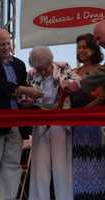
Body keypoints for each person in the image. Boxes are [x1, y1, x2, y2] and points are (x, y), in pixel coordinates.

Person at [0, 28, 41, 200]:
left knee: (12, 165)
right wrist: (21, 89)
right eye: (1, 44)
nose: (5, 47)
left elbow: (23, 88)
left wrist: (25, 99)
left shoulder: (19, 64)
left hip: (16, 122)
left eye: (7, 43)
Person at [27, 46, 73, 200]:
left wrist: (64, 83)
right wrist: (28, 99)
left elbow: (74, 86)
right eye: (38, 69)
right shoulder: (31, 74)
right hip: (39, 122)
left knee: (61, 167)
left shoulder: (63, 67)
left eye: (45, 68)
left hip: (59, 122)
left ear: (51, 61)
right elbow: (23, 99)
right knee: (39, 168)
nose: (42, 72)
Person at [68, 33, 105, 200]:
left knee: (97, 164)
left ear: (94, 49)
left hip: (97, 127)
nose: (81, 50)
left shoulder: (101, 70)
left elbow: (102, 97)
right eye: (79, 47)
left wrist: (85, 111)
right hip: (75, 128)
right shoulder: (73, 72)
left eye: (85, 47)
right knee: (78, 165)